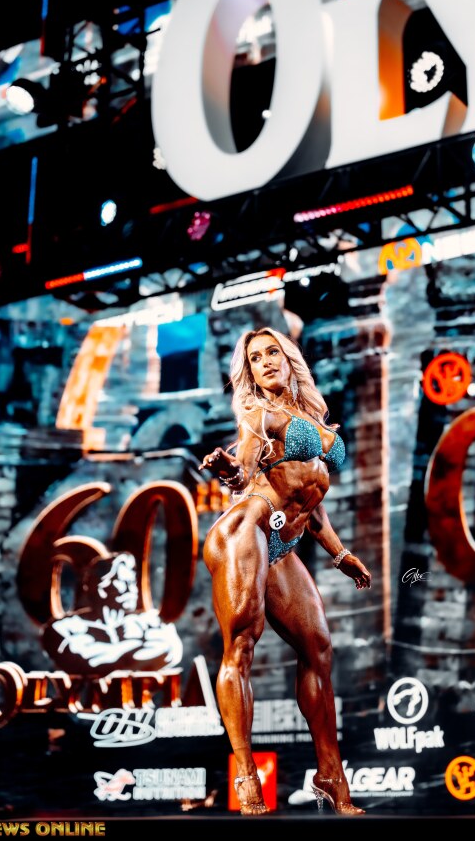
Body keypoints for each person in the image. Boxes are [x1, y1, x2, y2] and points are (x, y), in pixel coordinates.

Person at [199, 326, 372, 816]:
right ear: (250, 373)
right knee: (241, 645)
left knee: (318, 648)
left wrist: (340, 554)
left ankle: (330, 775)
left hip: (282, 544)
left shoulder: (313, 416)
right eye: (255, 359)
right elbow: (245, 468)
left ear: (288, 357)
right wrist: (230, 471)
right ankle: (246, 777)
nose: (266, 362)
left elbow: (310, 502)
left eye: (272, 352)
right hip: (246, 530)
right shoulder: (258, 414)